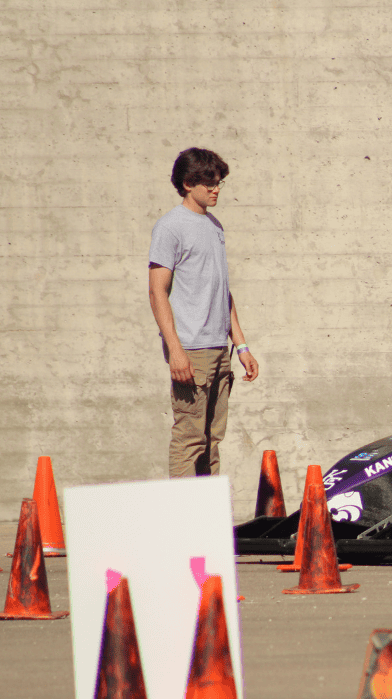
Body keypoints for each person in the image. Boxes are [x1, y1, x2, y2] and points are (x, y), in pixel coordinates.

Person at [148, 147, 258, 478]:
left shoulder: (214, 226)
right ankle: (182, 523)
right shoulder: (170, 227)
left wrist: (241, 346)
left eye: (219, 182)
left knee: (211, 440)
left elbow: (222, 291)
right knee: (189, 439)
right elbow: (157, 292)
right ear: (186, 184)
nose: (216, 189)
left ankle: (207, 520)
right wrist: (176, 350)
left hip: (218, 349)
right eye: (208, 183)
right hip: (191, 350)